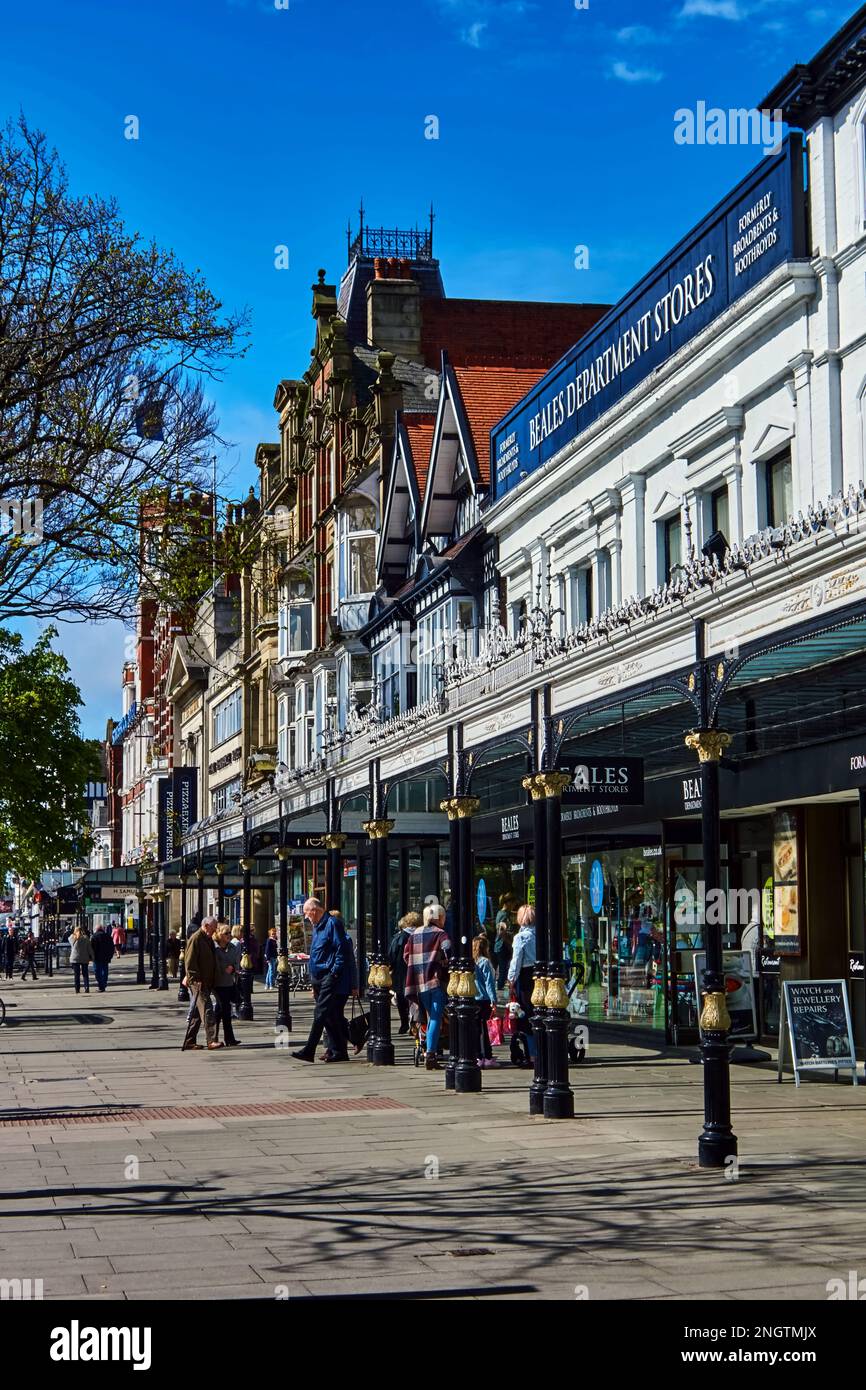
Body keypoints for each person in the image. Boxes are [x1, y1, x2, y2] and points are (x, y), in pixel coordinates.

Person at [291, 898, 352, 1064]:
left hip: (328, 977)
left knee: (320, 1013)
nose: (306, 917)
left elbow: (342, 951)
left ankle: (309, 1050)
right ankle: (339, 1051)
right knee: (330, 1016)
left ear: (314, 910)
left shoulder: (332, 924)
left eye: (306, 913)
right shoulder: (318, 926)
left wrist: (334, 974)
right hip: (318, 977)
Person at [403, 903, 451, 1070]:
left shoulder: (414, 934)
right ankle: (430, 1053)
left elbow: (406, 955)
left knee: (429, 1017)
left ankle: (426, 1050)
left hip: (419, 982)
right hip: (435, 981)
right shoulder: (441, 934)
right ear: (439, 918)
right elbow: (448, 951)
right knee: (436, 1017)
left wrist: (417, 965)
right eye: (443, 917)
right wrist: (443, 962)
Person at [182, 916, 222, 1051]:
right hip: (198, 982)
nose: (215, 931)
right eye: (213, 928)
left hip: (207, 981)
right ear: (206, 926)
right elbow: (190, 961)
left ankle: (189, 1041)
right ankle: (212, 1040)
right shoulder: (196, 939)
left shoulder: (208, 939)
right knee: (207, 1009)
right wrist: (194, 978)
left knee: (197, 1013)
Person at [506, 905, 537, 1067]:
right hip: (540, 975)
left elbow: (516, 961)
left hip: (525, 978)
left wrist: (510, 980)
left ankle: (532, 1054)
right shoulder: (542, 934)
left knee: (525, 1015)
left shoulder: (521, 937)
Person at [473, 933, 500, 1067]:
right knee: (485, 1029)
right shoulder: (485, 962)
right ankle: (487, 1057)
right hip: (484, 999)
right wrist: (493, 1000)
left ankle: (478, 1057)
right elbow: (489, 983)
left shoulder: (473, 962)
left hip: (474, 998)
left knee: (476, 1029)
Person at [388, 912, 418, 1034]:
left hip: (401, 973)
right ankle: (414, 1024)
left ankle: (404, 1023)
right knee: (415, 1000)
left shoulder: (400, 937)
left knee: (401, 999)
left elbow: (392, 955)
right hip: (416, 973)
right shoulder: (420, 935)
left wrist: (390, 967)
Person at [212, 924, 241, 1046]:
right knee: (225, 1009)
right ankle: (228, 1038)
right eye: (226, 933)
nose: (229, 935)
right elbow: (214, 964)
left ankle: (214, 1037)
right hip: (218, 983)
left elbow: (236, 962)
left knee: (220, 1010)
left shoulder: (232, 947)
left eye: (229, 933)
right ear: (219, 934)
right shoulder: (214, 948)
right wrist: (224, 968)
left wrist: (233, 968)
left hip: (229, 982)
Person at [90, 923, 115, 992]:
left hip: (97, 957)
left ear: (96, 929)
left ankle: (101, 985)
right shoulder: (108, 936)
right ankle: (103, 984)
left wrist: (91, 957)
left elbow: (92, 948)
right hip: (106, 957)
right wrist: (110, 956)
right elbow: (112, 947)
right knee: (105, 971)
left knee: (97, 971)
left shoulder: (94, 937)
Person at [69, 927, 92, 993]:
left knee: (76, 974)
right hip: (84, 958)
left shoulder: (72, 938)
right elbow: (89, 948)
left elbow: (69, 938)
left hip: (75, 958)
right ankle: (86, 987)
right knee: (85, 974)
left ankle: (77, 989)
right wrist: (92, 956)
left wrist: (74, 933)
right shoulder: (86, 938)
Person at [493, 920, 513, 992]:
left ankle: (499, 984)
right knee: (502, 969)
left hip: (498, 950)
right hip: (502, 951)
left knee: (500, 969)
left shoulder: (499, 934)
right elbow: (508, 943)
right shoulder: (502, 933)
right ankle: (500, 984)